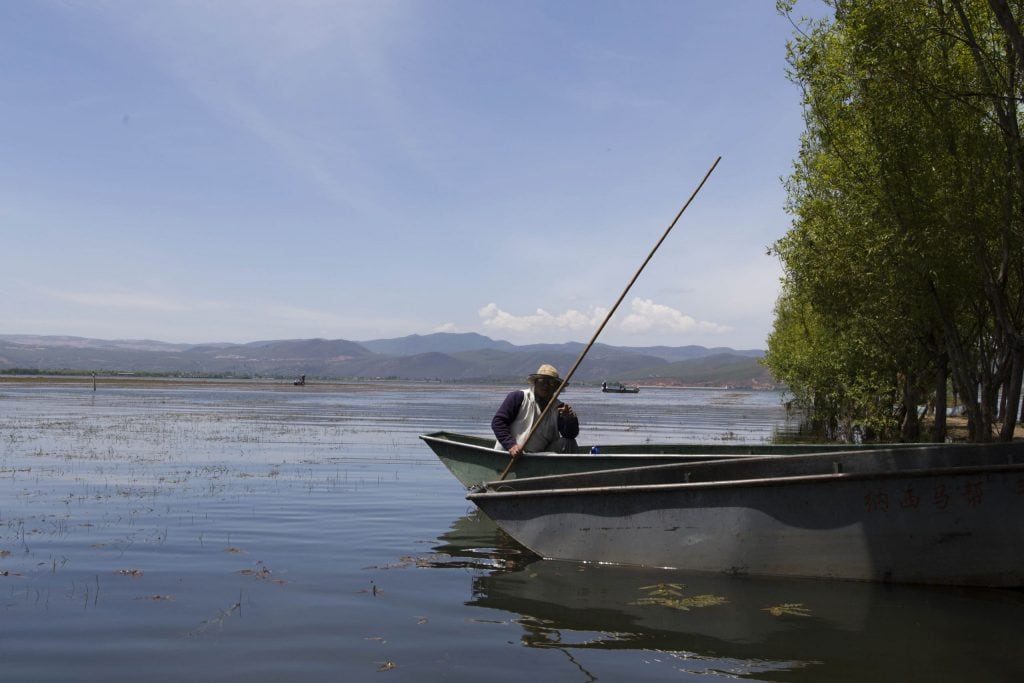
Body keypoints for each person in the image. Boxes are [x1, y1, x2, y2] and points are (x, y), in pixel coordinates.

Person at [492, 364, 579, 456]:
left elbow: (570, 435)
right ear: (535, 383)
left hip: (540, 456)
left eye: (551, 383)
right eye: (542, 381)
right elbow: (498, 422)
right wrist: (511, 445)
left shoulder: (559, 408)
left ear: (556, 387)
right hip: (512, 453)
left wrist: (569, 420)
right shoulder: (519, 397)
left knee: (569, 443)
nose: (546, 386)